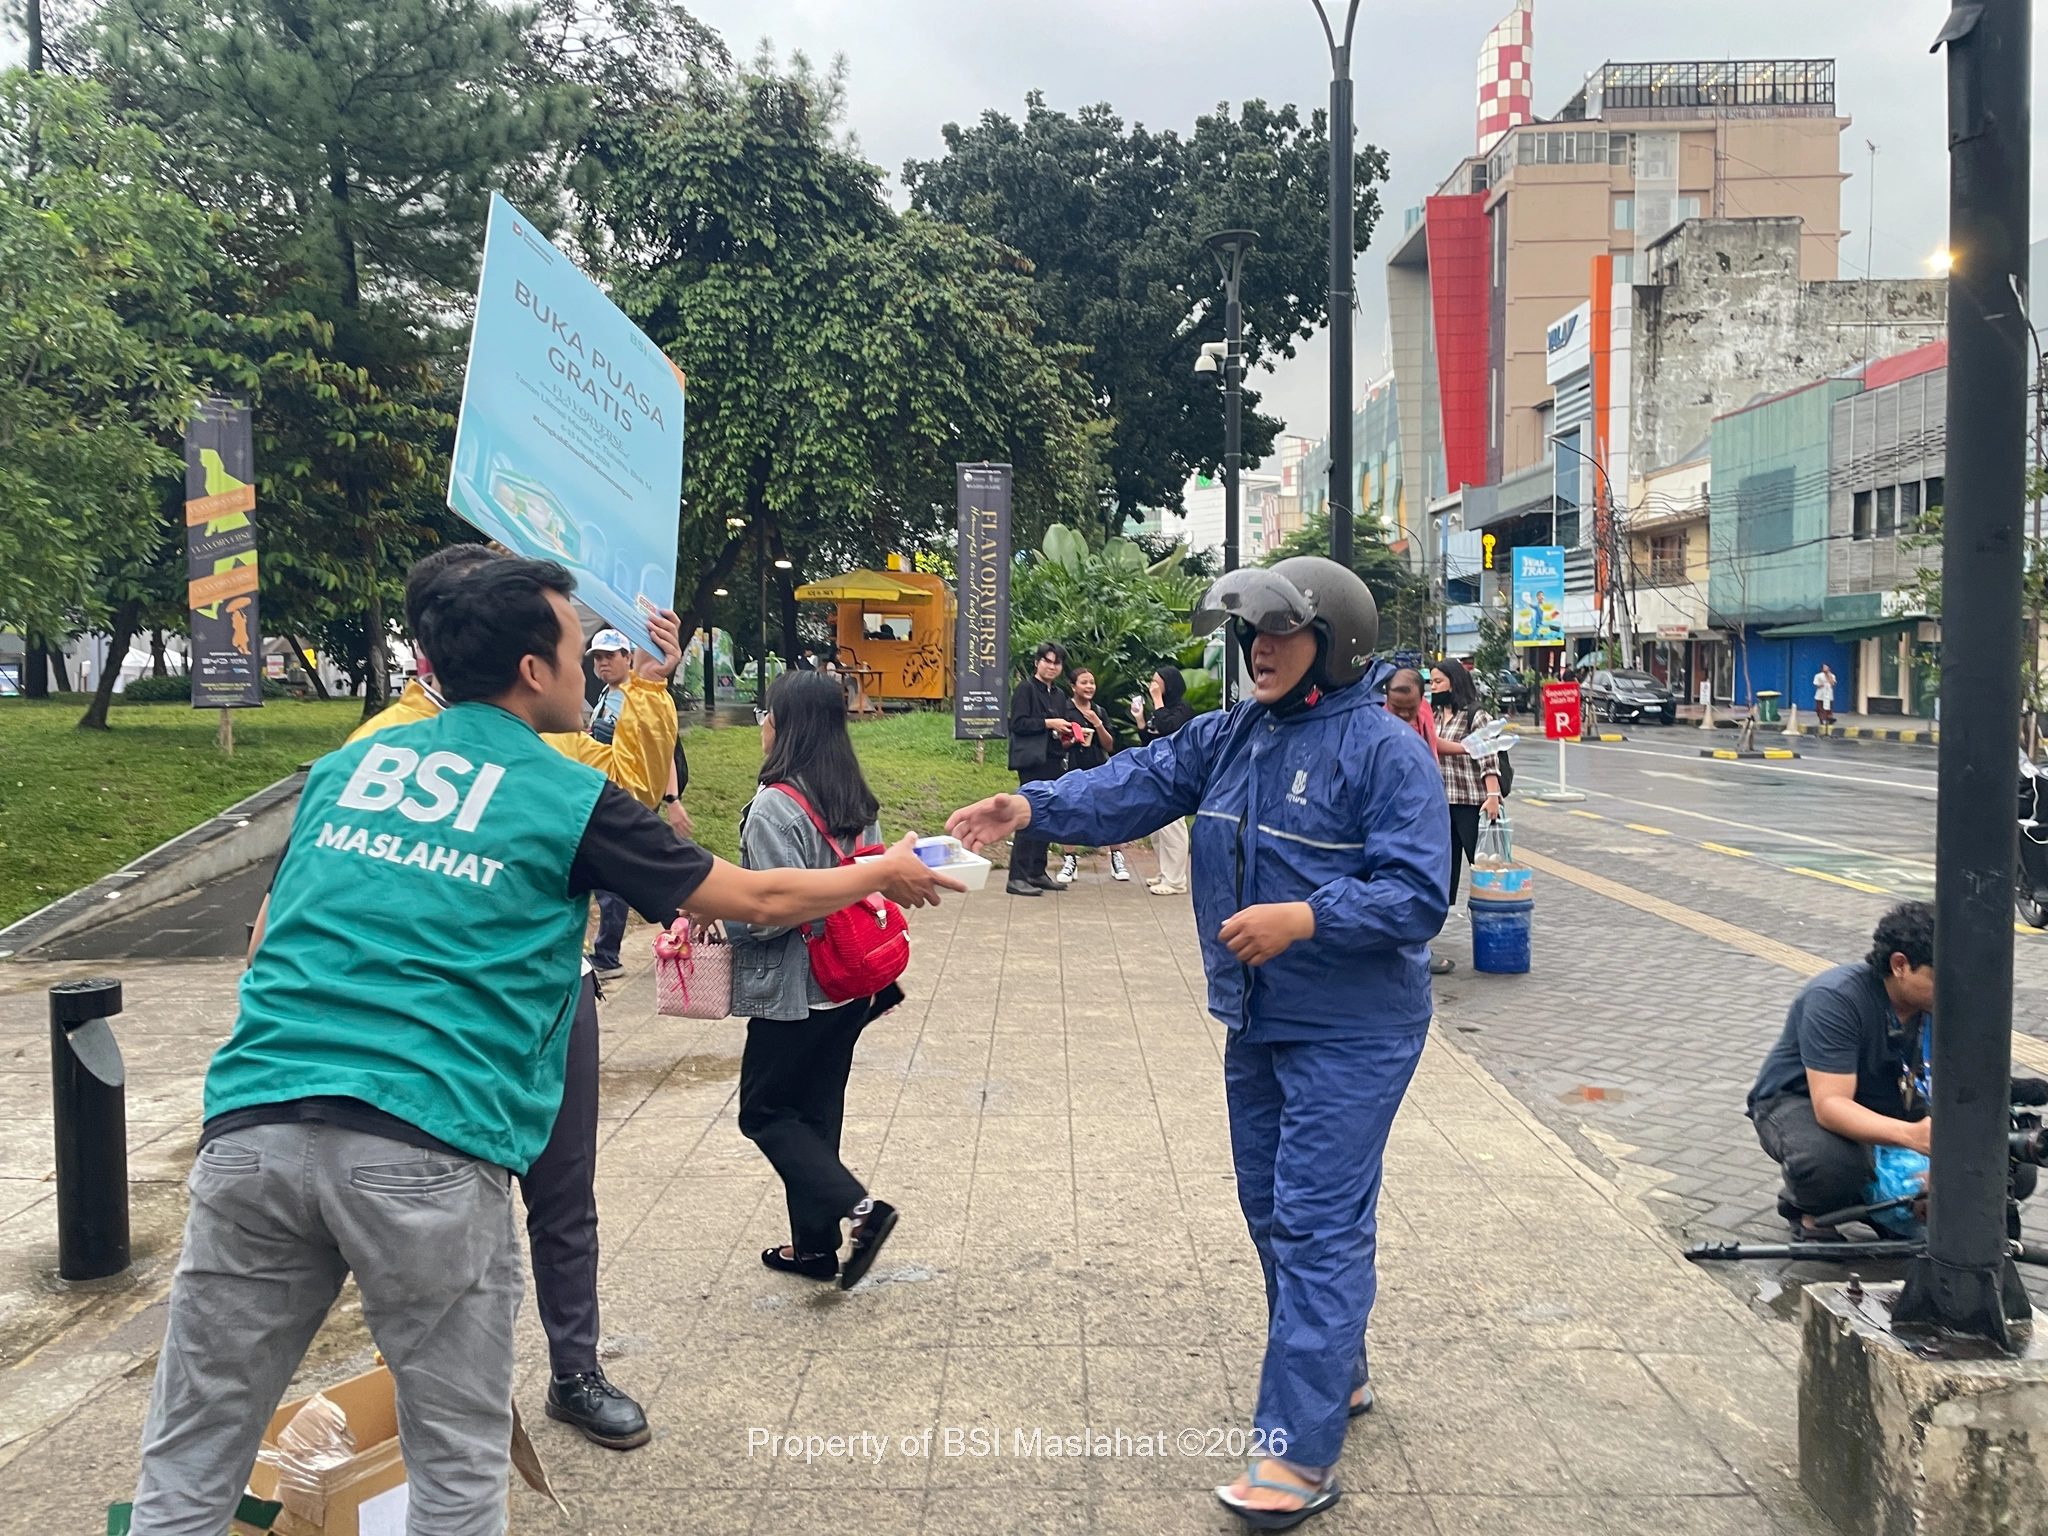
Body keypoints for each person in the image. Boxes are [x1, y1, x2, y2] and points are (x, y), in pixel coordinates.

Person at [128, 556, 958, 1536]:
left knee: (192, 1453)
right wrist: (881, 870)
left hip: (250, 1130)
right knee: (455, 1463)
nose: (588, 665)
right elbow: (756, 897)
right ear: (533, 669)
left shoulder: (344, 770)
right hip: (425, 1148)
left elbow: (269, 940)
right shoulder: (562, 795)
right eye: (578, 648)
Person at [948, 557, 1449, 1528]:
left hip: (1353, 1031)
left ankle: (1293, 1454)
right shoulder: (1233, 735)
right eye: (1250, 633)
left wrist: (1302, 918)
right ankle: (1335, 1372)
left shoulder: (1387, 753)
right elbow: (1134, 782)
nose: (1258, 647)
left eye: (1280, 632)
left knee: (1310, 1218)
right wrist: (1029, 808)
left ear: (1331, 646)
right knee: (1271, 1209)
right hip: (1256, 1020)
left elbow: (1416, 894)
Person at [328, 545, 683, 1449]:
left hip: (553, 1006)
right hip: (430, 1017)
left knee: (564, 1197)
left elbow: (627, 791)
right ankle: (430, 1385)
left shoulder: (537, 735)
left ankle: (576, 1371)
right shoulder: (379, 743)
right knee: (432, 1202)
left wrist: (647, 685)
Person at [728, 672, 906, 1287]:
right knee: (816, 1110)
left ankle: (863, 1211)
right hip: (849, 984)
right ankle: (813, 1250)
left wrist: (714, 916)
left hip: (797, 988)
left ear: (785, 723)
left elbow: (772, 911)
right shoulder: (853, 793)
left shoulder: (776, 804)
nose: (761, 725)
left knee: (766, 1112)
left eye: (765, 713)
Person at [1748, 902, 1936, 1239]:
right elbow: (1831, 1106)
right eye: (1941, 977)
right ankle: (1810, 1210)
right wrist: (1914, 1138)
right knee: (1832, 1165)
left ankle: (1887, 1205)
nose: (1958, 989)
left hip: (1891, 1095)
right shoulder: (1836, 998)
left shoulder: (1939, 1005)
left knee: (2007, 1165)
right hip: (1802, 1102)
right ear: (1900, 965)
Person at [1427, 661, 1503, 977]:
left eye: (1438, 681)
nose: (1433, 687)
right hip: (1440, 806)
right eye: (1430, 682)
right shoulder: (1431, 717)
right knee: (1440, 873)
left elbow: (1489, 757)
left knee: (1485, 872)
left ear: (1454, 683)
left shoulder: (1475, 715)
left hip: (1473, 806)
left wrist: (1493, 795)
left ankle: (1497, 932)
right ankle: (1426, 938)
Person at [584, 628, 636, 980]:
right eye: (598, 657)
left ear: (628, 657)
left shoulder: (636, 699)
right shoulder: (607, 694)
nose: (603, 663)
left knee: (612, 880)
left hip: (620, 797)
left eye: (610, 656)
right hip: (598, 793)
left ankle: (607, 955)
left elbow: (651, 749)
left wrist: (672, 798)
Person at [1006, 641, 1078, 896]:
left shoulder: (1058, 694)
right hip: (1031, 761)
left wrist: (1070, 734)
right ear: (1037, 662)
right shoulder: (1026, 689)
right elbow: (1018, 724)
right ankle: (1017, 876)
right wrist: (1049, 723)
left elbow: (1058, 729)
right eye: (1047, 661)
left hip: (1054, 760)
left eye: (1057, 662)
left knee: (1046, 817)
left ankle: (1037, 871)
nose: (1052, 666)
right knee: (1027, 816)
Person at [1054, 666, 1132, 883]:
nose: (1089, 687)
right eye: (1084, 682)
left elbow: (1109, 744)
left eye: (1092, 683)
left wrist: (1097, 724)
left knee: (1109, 811)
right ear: (1073, 686)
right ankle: (1070, 859)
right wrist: (1072, 740)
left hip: (1098, 767)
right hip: (1071, 767)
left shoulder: (1099, 710)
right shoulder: (1064, 709)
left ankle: (1116, 857)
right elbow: (1057, 743)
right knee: (1070, 812)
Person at [1130, 666, 1196, 895]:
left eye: (1157, 682)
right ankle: (1165, 872)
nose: (1153, 686)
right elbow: (1150, 740)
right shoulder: (1160, 709)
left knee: (1172, 827)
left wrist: (1157, 700)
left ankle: (1176, 880)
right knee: (1158, 827)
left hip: (1176, 773)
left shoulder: (1182, 708)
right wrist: (1140, 720)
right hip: (1157, 773)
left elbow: (1170, 729)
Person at [1383, 668, 1436, 750]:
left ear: (1421, 698)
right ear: (1387, 698)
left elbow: (1432, 740)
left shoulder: (1425, 706)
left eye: (1411, 708)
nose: (1404, 714)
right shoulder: (1381, 727)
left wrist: (1462, 748)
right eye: (1396, 707)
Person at [1813, 662, 1838, 727]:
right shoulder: (1818, 676)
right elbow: (1816, 684)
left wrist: (1828, 676)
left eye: (1826, 667)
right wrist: (1823, 684)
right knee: (1820, 707)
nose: (1825, 669)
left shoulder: (1832, 676)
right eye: (1824, 667)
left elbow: (1832, 684)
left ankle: (1829, 719)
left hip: (1828, 694)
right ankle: (1822, 719)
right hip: (1820, 694)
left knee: (1828, 708)